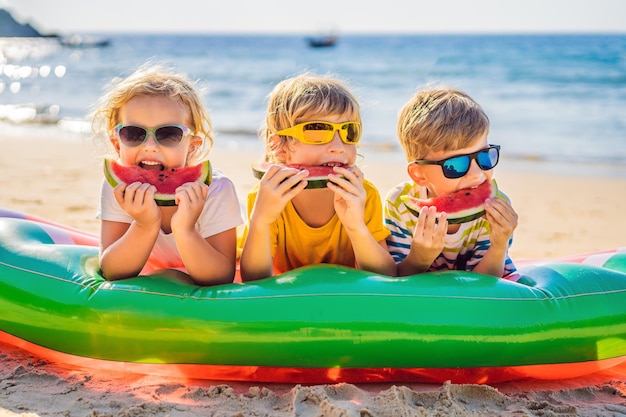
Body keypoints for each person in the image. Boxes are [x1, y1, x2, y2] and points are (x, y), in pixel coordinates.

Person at [92, 63, 243, 285]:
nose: (150, 146)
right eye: (134, 133)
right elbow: (113, 271)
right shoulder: (117, 188)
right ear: (117, 144)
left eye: (169, 134)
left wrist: (185, 229)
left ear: (192, 146)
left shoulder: (216, 191)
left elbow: (221, 277)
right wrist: (145, 225)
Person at [239, 72, 396, 281]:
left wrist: (356, 227)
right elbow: (253, 279)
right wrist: (260, 221)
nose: (338, 148)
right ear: (279, 146)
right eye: (318, 130)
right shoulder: (266, 195)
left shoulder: (363, 195)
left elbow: (385, 277)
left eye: (349, 131)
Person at [384, 87, 518, 277]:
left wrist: (499, 245)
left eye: (485, 156)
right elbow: (397, 277)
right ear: (419, 174)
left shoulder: (495, 208)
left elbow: (487, 284)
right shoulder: (400, 204)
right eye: (456, 165)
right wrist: (419, 258)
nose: (476, 174)